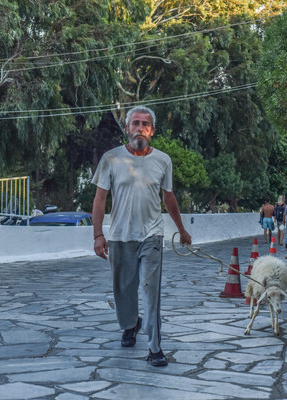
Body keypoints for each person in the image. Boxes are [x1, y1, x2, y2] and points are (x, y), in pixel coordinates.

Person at [92, 105, 192, 367]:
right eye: (135, 123)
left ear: (152, 130)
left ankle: (155, 348)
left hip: (151, 236)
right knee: (123, 290)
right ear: (127, 129)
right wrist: (98, 235)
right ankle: (130, 325)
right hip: (120, 237)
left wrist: (181, 230)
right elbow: (100, 199)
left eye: (145, 124)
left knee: (151, 292)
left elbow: (168, 198)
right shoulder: (110, 159)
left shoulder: (163, 160)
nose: (140, 128)